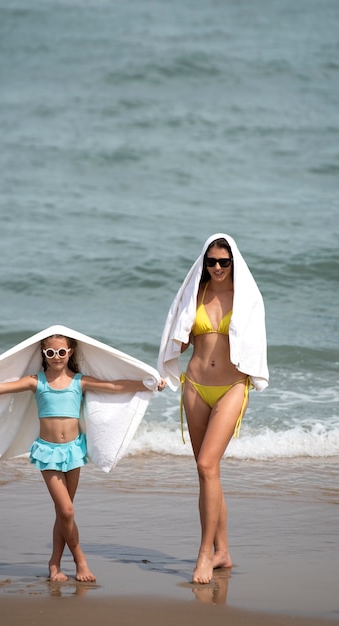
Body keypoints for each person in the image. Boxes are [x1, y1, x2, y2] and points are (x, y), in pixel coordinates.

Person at [0, 333, 166, 584]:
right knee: (67, 510)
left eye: (61, 352)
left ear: (70, 353)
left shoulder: (79, 381)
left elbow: (114, 386)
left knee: (64, 512)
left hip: (73, 450)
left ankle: (54, 564)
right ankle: (80, 561)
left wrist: (147, 383)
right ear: (44, 355)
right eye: (51, 353)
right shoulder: (36, 381)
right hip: (48, 451)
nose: (56, 357)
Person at [157, 233, 268, 585]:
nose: (217, 268)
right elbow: (180, 336)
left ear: (234, 262)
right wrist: (161, 368)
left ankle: (204, 555)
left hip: (232, 387)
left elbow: (254, 344)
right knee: (208, 472)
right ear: (203, 263)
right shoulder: (196, 294)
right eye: (211, 262)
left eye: (224, 262)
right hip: (195, 386)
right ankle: (223, 550)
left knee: (207, 465)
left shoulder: (247, 298)